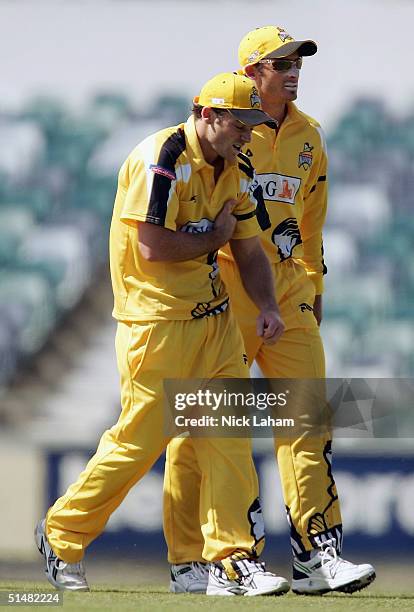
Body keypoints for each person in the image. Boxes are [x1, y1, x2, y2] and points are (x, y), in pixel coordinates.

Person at [34, 71, 293, 597]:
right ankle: (61, 536)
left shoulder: (236, 166)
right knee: (137, 445)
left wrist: (266, 303)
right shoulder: (162, 159)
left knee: (228, 442)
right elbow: (152, 246)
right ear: (209, 115)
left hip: (214, 322)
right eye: (241, 125)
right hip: (155, 325)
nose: (249, 136)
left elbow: (246, 247)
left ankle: (231, 561)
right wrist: (213, 236)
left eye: (254, 126)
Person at [164, 26, 376, 596]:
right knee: (202, 429)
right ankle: (196, 560)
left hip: (290, 298)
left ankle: (316, 556)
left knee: (308, 422)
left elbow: (311, 223)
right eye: (281, 63)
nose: (294, 71)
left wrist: (312, 286)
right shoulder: (230, 125)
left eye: (298, 62)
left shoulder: (312, 136)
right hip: (227, 297)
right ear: (253, 70)